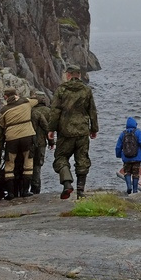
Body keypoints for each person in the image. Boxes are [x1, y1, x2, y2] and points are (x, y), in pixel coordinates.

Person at [52, 63, 98, 199]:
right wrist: (94, 129)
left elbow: (55, 111)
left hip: (65, 131)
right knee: (82, 159)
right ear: (79, 75)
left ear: (68, 75)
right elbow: (93, 111)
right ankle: (80, 191)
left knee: (61, 157)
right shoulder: (86, 90)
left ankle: (67, 183)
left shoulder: (61, 90)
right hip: (82, 131)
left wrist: (51, 129)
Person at [0, 86, 36, 199]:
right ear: (16, 94)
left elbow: (1, 124)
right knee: (28, 163)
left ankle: (11, 193)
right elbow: (38, 99)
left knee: (10, 164)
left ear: (5, 97)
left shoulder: (3, 110)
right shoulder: (26, 102)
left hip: (12, 138)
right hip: (27, 136)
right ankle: (25, 191)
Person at [29, 90, 54, 196]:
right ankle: (36, 189)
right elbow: (49, 129)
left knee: (27, 165)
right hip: (41, 142)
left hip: (28, 142)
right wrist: (51, 142)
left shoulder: (29, 110)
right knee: (37, 166)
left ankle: (25, 188)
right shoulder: (48, 111)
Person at [114, 117, 141, 194]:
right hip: (137, 158)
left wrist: (119, 155)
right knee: (136, 174)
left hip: (126, 158)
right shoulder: (138, 132)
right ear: (135, 124)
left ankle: (129, 187)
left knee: (127, 172)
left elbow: (118, 146)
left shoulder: (123, 134)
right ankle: (135, 190)